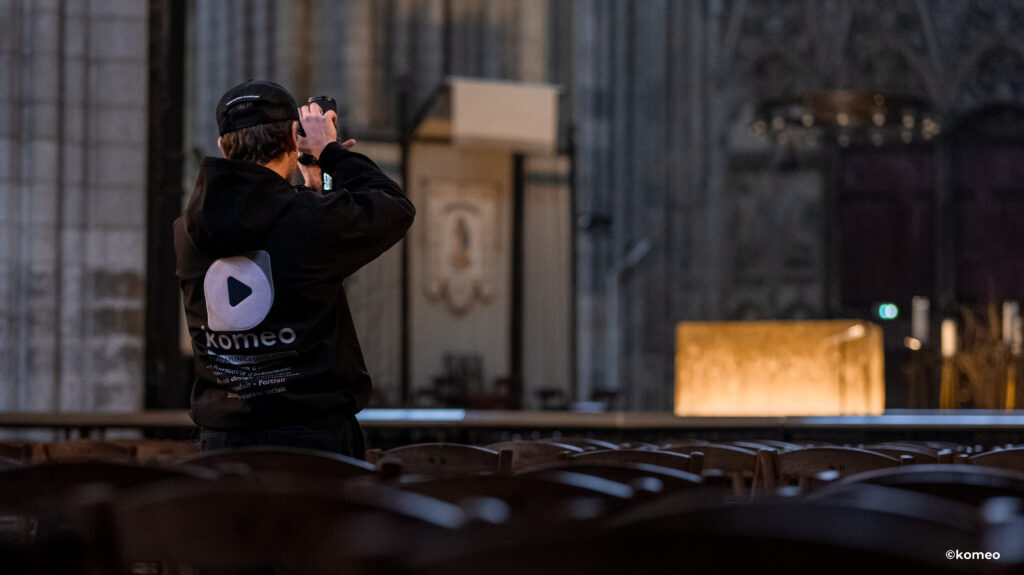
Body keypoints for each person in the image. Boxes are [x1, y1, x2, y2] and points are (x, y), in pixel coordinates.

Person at [174, 80, 414, 458]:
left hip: (223, 439)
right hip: (311, 440)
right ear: (292, 138)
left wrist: (314, 190)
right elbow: (395, 208)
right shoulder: (309, 221)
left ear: (222, 146)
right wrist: (330, 152)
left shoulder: (185, 229)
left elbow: (278, 235)